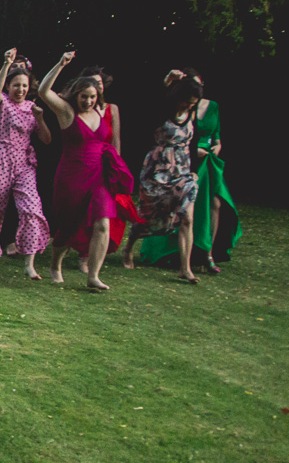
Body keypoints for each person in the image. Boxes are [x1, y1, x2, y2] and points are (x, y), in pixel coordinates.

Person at [38, 51, 140, 290]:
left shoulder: (102, 110)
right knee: (68, 226)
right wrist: (60, 64)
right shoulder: (66, 112)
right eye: (84, 97)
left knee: (103, 222)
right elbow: (43, 91)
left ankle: (93, 275)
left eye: (93, 97)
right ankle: (55, 264)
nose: (88, 101)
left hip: (99, 176)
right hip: (72, 177)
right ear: (76, 95)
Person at [136, 68, 240, 273]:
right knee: (169, 206)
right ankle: (165, 250)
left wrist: (216, 146)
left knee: (214, 204)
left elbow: (216, 134)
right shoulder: (174, 107)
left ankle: (205, 253)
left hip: (204, 162)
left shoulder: (211, 107)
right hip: (176, 161)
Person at [0, 48, 52, 279]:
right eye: (16, 85)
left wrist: (40, 118)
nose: (20, 89)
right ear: (9, 87)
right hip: (0, 157)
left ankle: (29, 263)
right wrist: (6, 64)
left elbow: (47, 139)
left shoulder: (32, 108)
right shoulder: (1, 103)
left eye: (24, 86)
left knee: (32, 208)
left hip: (24, 162)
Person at [122, 76, 203, 282]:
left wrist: (193, 169)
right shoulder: (161, 112)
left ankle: (185, 268)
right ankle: (129, 246)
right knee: (149, 215)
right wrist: (166, 82)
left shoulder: (191, 115)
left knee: (187, 217)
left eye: (193, 103)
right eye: (187, 101)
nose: (189, 105)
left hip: (183, 172)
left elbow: (191, 144)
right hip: (158, 171)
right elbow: (150, 103)